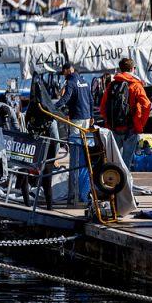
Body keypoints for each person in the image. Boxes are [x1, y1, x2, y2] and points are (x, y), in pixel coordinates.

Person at [99, 58, 151, 167]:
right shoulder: (136, 85)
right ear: (133, 69)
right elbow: (147, 105)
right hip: (131, 127)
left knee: (114, 160)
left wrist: (108, 121)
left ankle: (116, 181)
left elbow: (102, 107)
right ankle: (125, 182)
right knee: (126, 161)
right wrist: (140, 123)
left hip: (114, 127)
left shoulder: (111, 85)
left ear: (120, 69)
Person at [55, 62, 94, 204]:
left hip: (76, 119)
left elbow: (67, 98)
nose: (63, 75)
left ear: (67, 70)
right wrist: (92, 116)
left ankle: (75, 183)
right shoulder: (84, 81)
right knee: (85, 148)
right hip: (87, 118)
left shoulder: (70, 81)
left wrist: (53, 107)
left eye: (63, 72)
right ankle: (83, 180)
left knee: (75, 150)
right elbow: (90, 99)